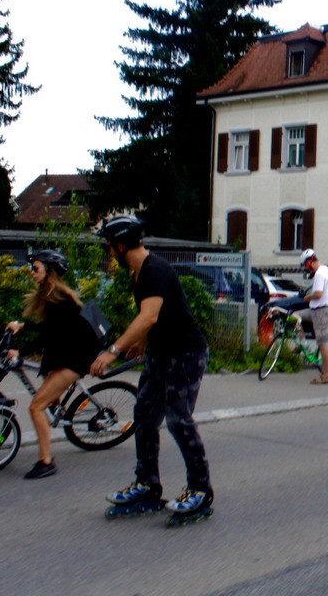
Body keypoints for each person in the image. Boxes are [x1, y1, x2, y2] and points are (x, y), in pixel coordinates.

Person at [89, 215, 213, 521]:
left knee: (177, 419)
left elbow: (149, 317)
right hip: (160, 353)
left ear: (119, 245)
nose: (108, 252)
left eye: (108, 247)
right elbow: (155, 317)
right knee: (144, 416)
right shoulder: (139, 271)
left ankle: (200, 490)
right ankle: (147, 485)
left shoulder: (154, 269)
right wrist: (143, 343)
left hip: (184, 354)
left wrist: (112, 351)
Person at [6, 250, 101, 479]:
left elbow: (49, 336)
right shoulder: (50, 295)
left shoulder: (58, 298)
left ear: (49, 270)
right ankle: (59, 409)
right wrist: (22, 327)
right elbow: (49, 329)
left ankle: (46, 461)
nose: (32, 272)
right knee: (46, 399)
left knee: (36, 406)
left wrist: (21, 352)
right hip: (65, 355)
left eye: (35, 267)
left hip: (75, 358)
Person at [297, 249, 328, 384]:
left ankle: (325, 376)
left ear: (309, 262)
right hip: (318, 310)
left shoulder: (319, 274)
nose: (307, 270)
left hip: (321, 311)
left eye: (305, 266)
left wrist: (308, 297)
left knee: (322, 344)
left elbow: (318, 294)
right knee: (294, 316)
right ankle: (304, 345)